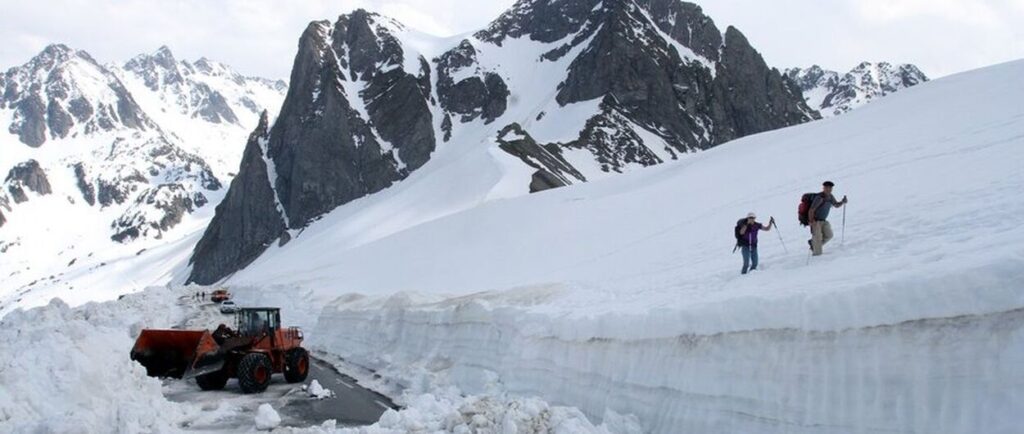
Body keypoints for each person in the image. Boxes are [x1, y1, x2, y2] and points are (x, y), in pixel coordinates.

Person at [808, 181, 848, 256]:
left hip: (823, 221)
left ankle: (814, 244)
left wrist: (842, 202)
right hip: (816, 221)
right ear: (823, 188)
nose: (829, 189)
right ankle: (817, 256)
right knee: (818, 238)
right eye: (827, 187)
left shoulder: (830, 196)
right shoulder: (819, 198)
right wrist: (811, 221)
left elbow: (836, 205)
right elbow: (811, 210)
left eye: (830, 188)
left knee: (829, 235)